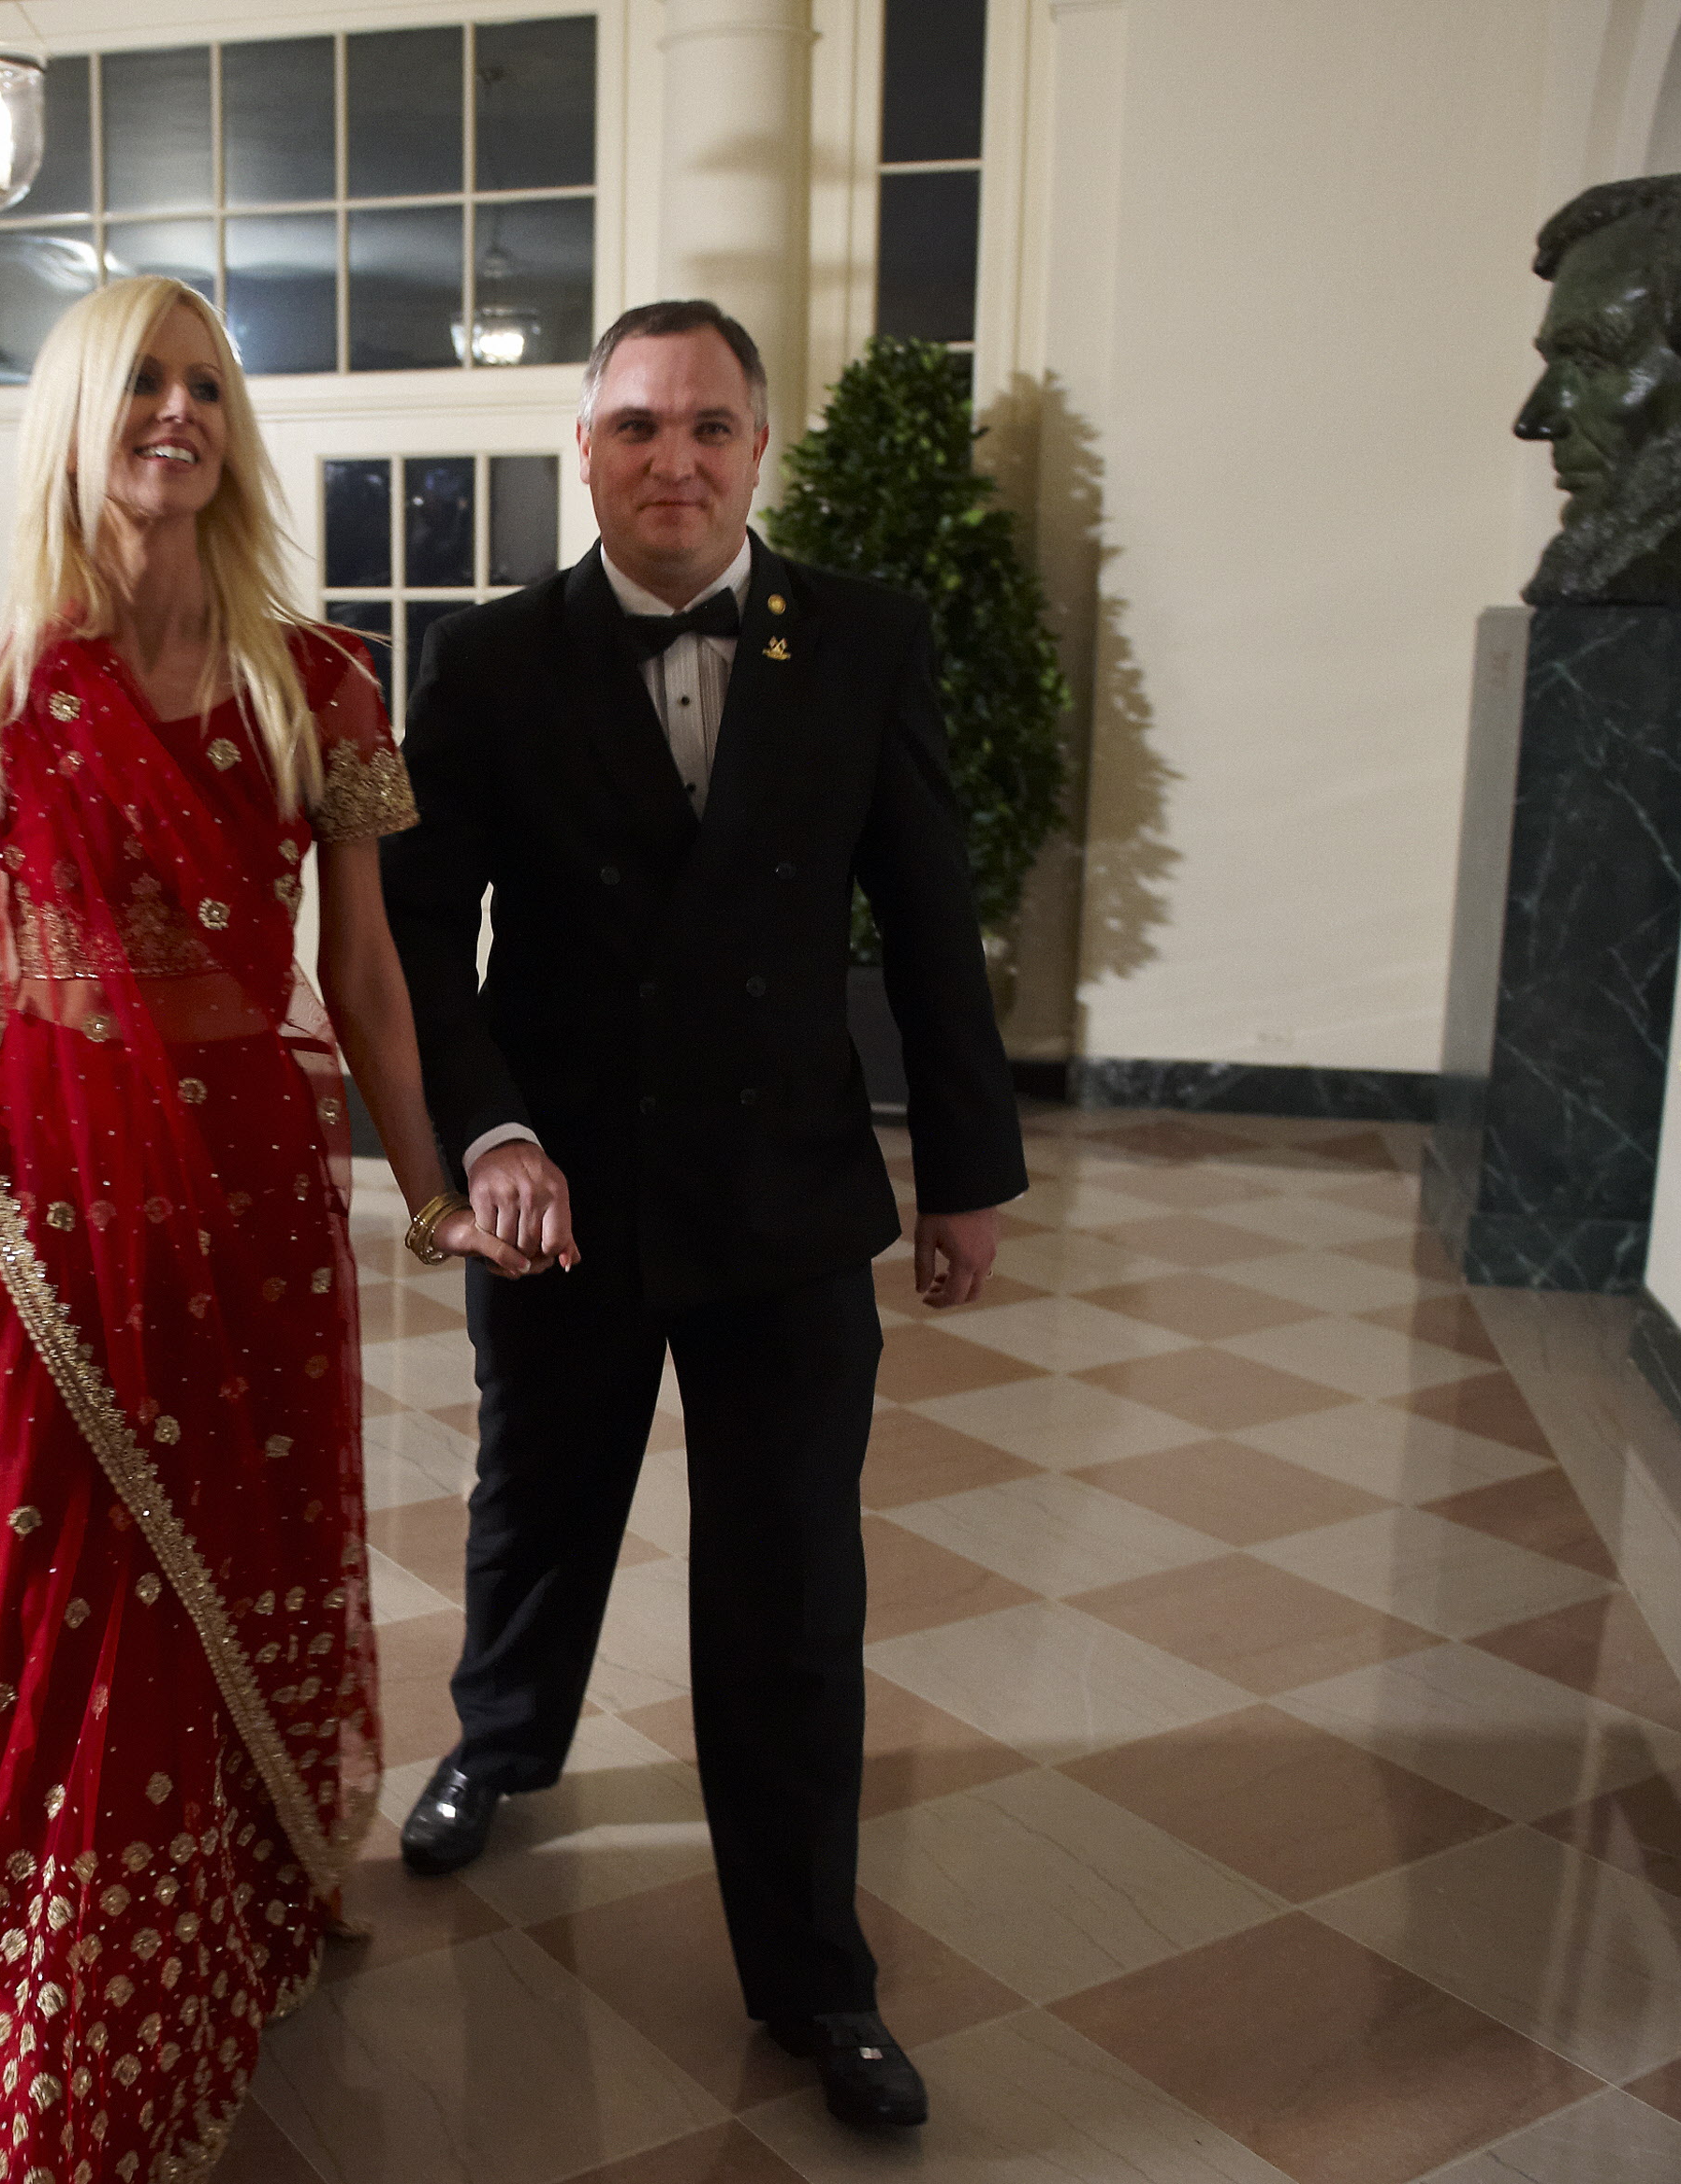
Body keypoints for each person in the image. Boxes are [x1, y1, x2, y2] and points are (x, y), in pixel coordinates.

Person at [0, 274, 521, 2182]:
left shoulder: (317, 686)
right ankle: (75, 2029)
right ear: (71, 417)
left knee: (240, 1554)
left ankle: (239, 1919)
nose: (177, 409)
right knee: (67, 1612)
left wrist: (433, 1184)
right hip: (45, 1234)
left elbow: (369, 979)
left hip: (248, 1207)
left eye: (204, 382)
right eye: (140, 379)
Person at [378, 299, 1029, 2132]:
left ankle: (815, 1971)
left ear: (759, 450)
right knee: (538, 1498)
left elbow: (924, 906)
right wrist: (479, 1128)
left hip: (787, 1194)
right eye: (640, 424)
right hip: (560, 1189)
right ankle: (497, 1744)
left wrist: (965, 1165)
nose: (676, 457)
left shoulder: (865, 641)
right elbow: (418, 919)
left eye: (711, 426)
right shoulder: (498, 659)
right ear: (582, 448)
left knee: (790, 1591)